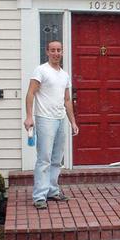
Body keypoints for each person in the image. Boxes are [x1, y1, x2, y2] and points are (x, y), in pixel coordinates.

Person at [24, 40, 79, 209]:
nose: (56, 53)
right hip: (44, 119)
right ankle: (39, 196)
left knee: (56, 159)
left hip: (60, 119)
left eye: (59, 50)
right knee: (44, 159)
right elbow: (30, 93)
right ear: (47, 52)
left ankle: (52, 191)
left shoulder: (65, 75)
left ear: (62, 52)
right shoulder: (41, 70)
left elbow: (67, 100)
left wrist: (73, 122)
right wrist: (29, 117)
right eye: (53, 50)